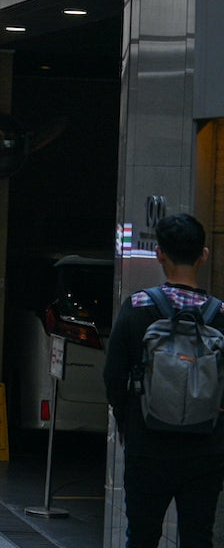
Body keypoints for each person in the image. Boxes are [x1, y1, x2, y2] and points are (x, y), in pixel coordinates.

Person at [104, 213, 224, 548]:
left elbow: (114, 375)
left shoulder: (138, 307)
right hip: (206, 447)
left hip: (148, 443)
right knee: (198, 536)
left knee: (142, 535)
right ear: (204, 254)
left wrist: (127, 420)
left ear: (159, 253)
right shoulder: (221, 315)